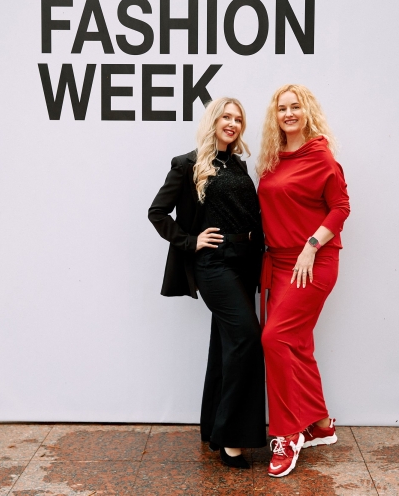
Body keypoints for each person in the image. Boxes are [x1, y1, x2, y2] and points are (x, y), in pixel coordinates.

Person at [148, 97, 266, 469]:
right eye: (225, 117)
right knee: (247, 338)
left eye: (238, 119)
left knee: (225, 344)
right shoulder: (188, 164)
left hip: (245, 263)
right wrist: (190, 241)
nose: (232, 123)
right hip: (214, 264)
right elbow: (157, 212)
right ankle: (230, 438)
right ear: (213, 121)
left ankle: (213, 426)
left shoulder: (239, 164)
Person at [256, 84, 350, 478]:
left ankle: (288, 433)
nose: (289, 114)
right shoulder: (273, 158)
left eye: (295, 107)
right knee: (297, 343)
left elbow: (340, 207)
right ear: (275, 116)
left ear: (307, 111)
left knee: (274, 339)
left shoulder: (320, 155)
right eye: (282, 109)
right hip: (279, 263)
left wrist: (312, 245)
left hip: (312, 262)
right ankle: (320, 424)